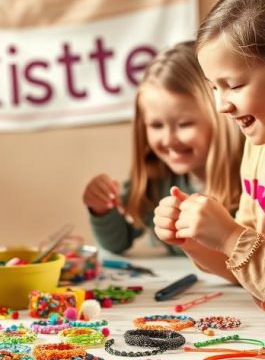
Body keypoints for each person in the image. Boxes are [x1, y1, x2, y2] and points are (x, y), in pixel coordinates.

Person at [153, 0, 265, 303]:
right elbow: (246, 268)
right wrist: (197, 239)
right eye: (214, 87)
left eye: (233, 86)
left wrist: (230, 236)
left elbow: (241, 248)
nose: (220, 106)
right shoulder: (256, 147)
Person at [83, 41, 243, 255]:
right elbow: (117, 242)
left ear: (220, 117)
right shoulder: (157, 177)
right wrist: (101, 209)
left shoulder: (250, 175)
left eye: (184, 124)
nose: (169, 139)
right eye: (156, 125)